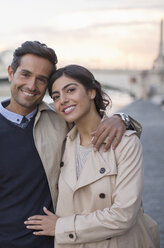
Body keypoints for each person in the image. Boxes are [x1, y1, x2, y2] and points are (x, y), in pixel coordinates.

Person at [0, 41, 140, 248]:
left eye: (41, 80)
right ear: (10, 73)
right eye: (25, 75)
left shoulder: (61, 120)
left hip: (54, 242)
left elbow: (92, 120)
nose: (32, 86)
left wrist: (122, 119)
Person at [25, 64, 159, 247]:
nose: (62, 100)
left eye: (70, 90)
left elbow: (124, 215)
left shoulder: (125, 144)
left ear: (92, 92)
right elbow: (23, 111)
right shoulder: (60, 142)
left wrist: (60, 226)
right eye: (55, 97)